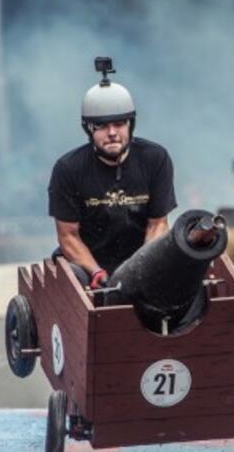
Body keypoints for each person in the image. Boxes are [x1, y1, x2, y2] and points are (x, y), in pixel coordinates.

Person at [48, 57, 176, 289]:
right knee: (72, 279)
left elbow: (157, 224)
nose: (112, 133)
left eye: (119, 124)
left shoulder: (156, 159)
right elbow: (68, 236)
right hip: (89, 266)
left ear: (131, 124)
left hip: (140, 261)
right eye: (102, 126)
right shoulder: (68, 169)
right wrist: (97, 272)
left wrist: (141, 269)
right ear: (88, 129)